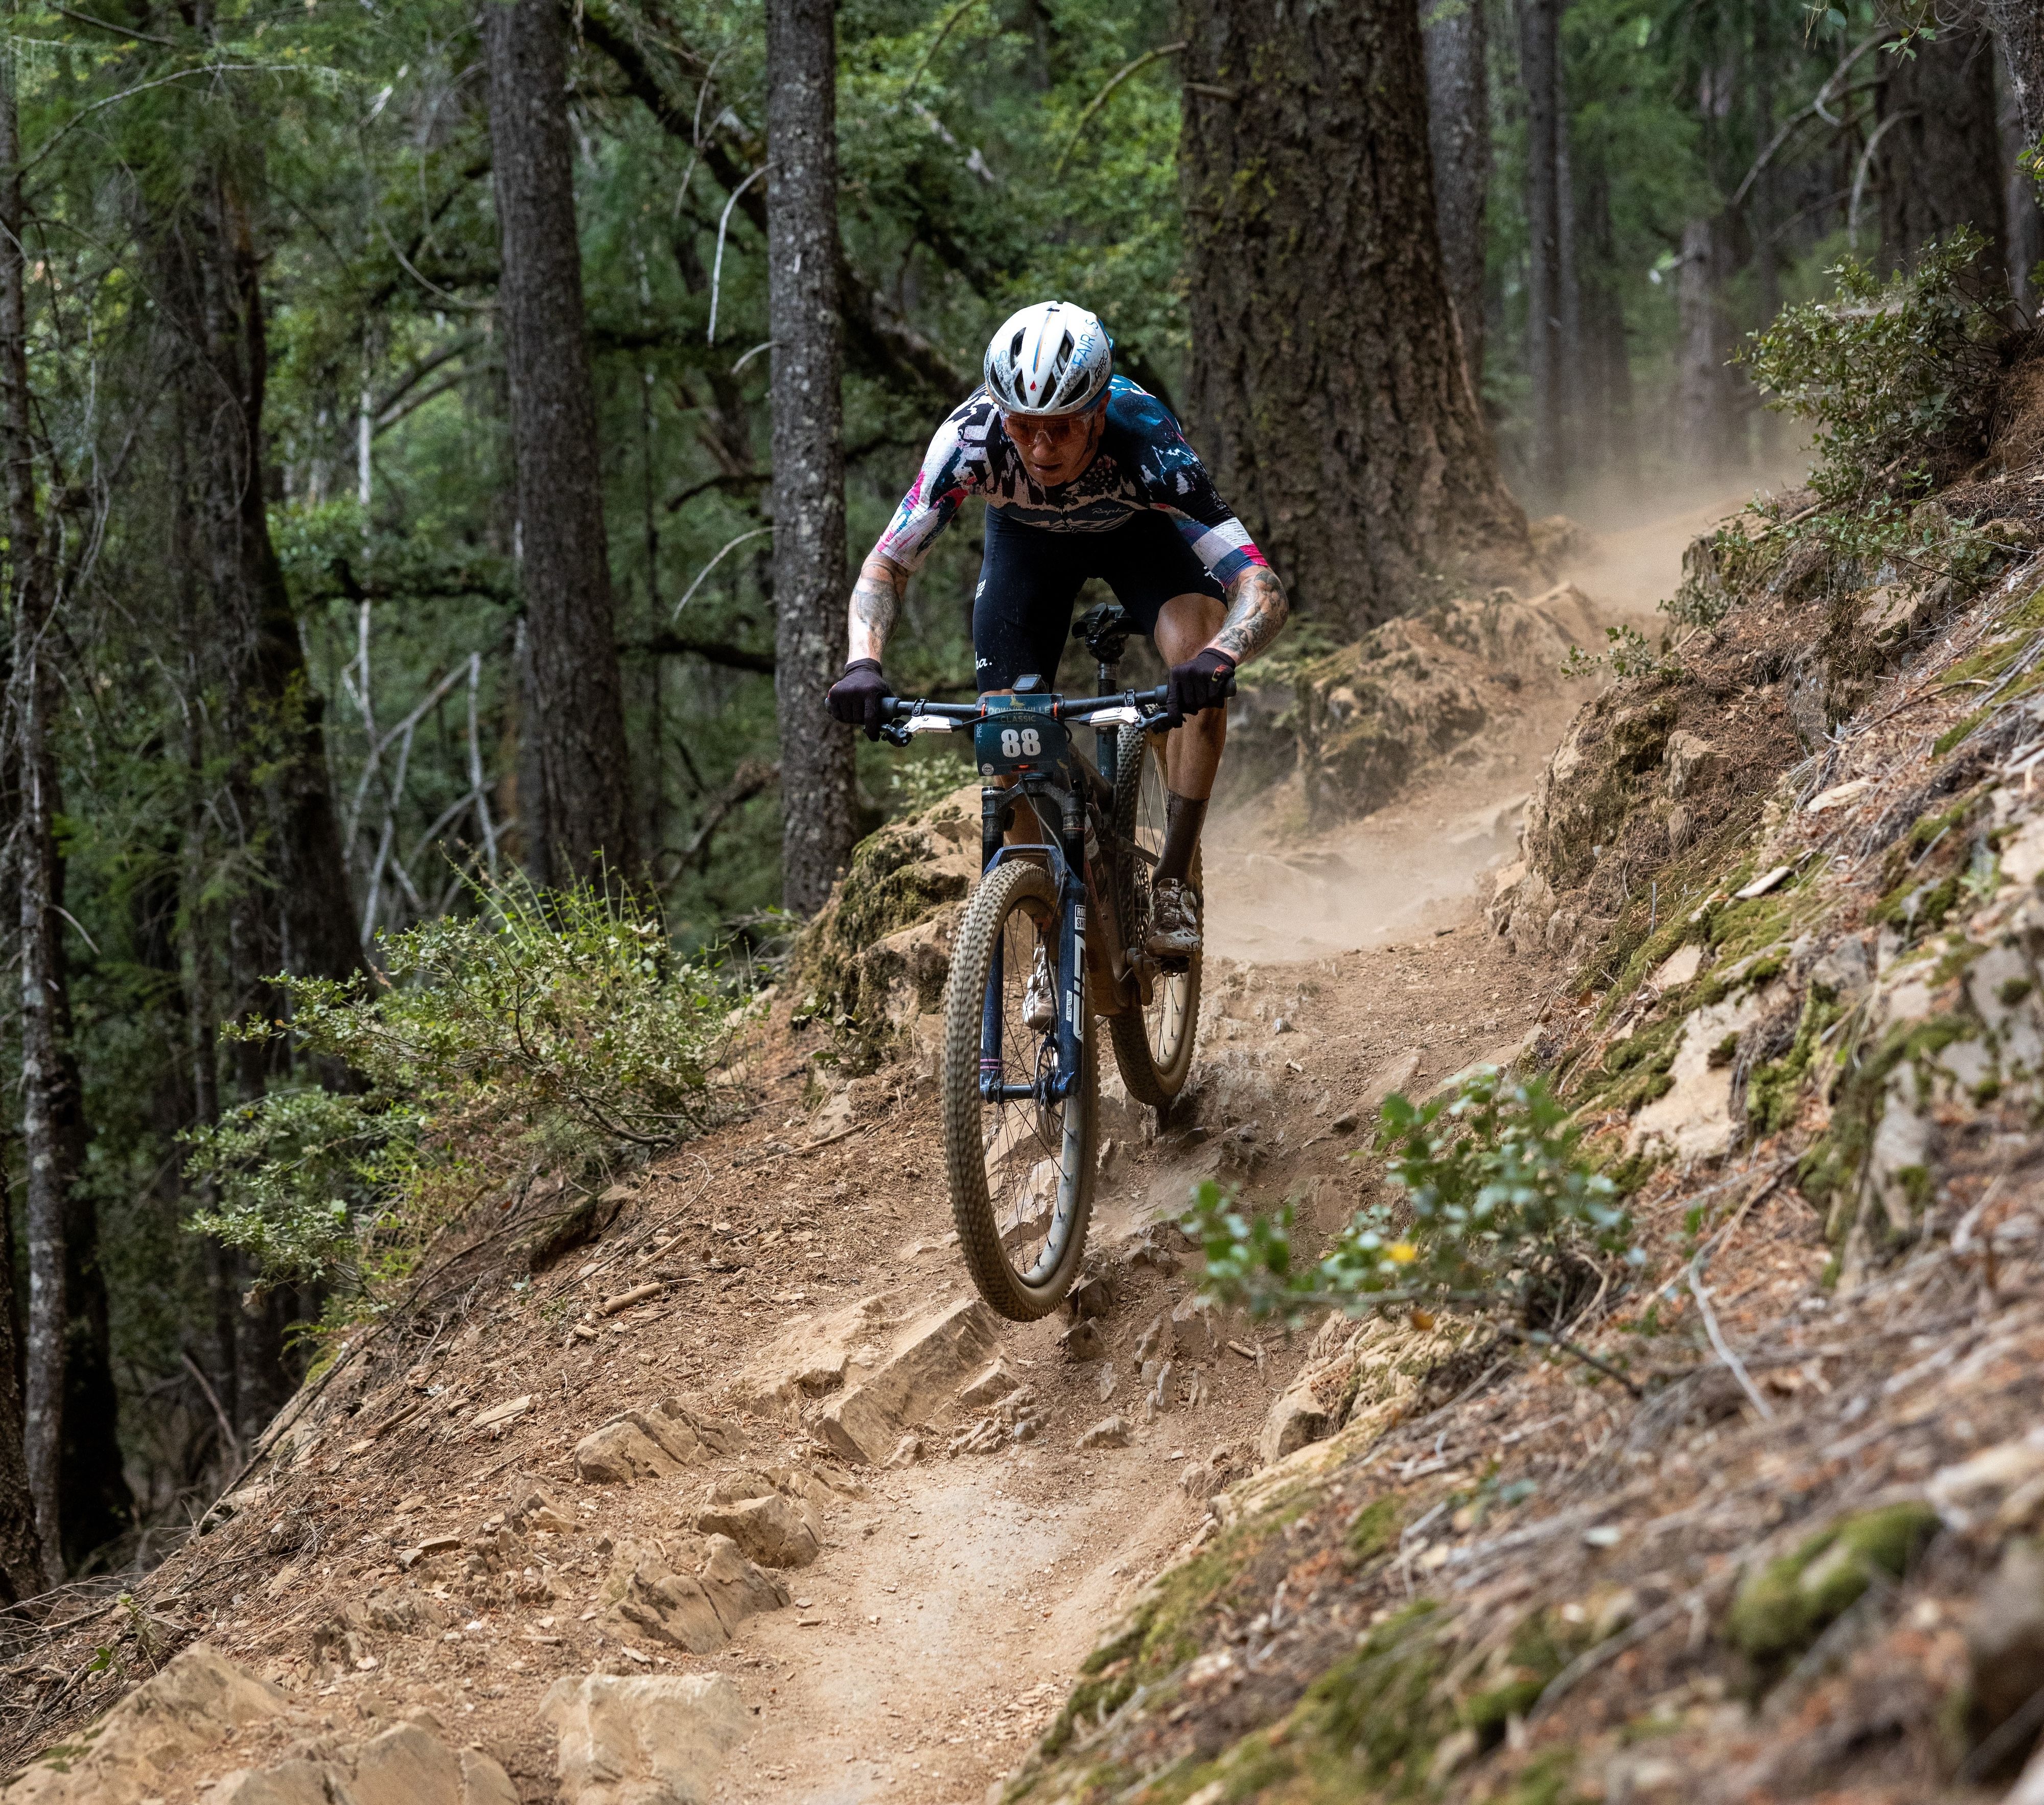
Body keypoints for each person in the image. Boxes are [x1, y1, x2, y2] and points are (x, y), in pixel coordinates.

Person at [824, 299, 1288, 961]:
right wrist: (861, 662)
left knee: (1193, 645)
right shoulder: (970, 440)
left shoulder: (1148, 442)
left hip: (1142, 539)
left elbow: (1259, 586)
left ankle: (1174, 879)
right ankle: (1053, 926)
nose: (1040, 447)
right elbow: (890, 562)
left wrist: (1220, 655)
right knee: (1006, 739)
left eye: (1064, 428)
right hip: (1026, 544)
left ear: (1098, 414)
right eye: (1024, 426)